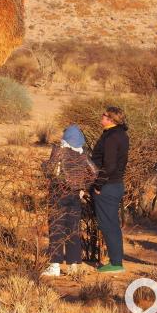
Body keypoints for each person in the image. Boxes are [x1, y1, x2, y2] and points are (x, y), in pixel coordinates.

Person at [41, 125, 97, 277]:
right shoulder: (83, 154)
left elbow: (49, 170)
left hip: (57, 194)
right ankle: (73, 266)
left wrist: (43, 165)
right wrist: (82, 188)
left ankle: (55, 267)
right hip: (75, 196)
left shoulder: (59, 151)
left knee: (56, 229)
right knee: (73, 230)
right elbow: (94, 173)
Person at [90, 106, 129, 273]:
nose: (101, 117)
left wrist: (98, 185)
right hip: (114, 184)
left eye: (104, 115)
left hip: (107, 186)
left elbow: (110, 165)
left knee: (108, 224)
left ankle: (116, 263)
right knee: (111, 223)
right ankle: (116, 261)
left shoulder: (112, 137)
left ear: (111, 119)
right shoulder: (119, 134)